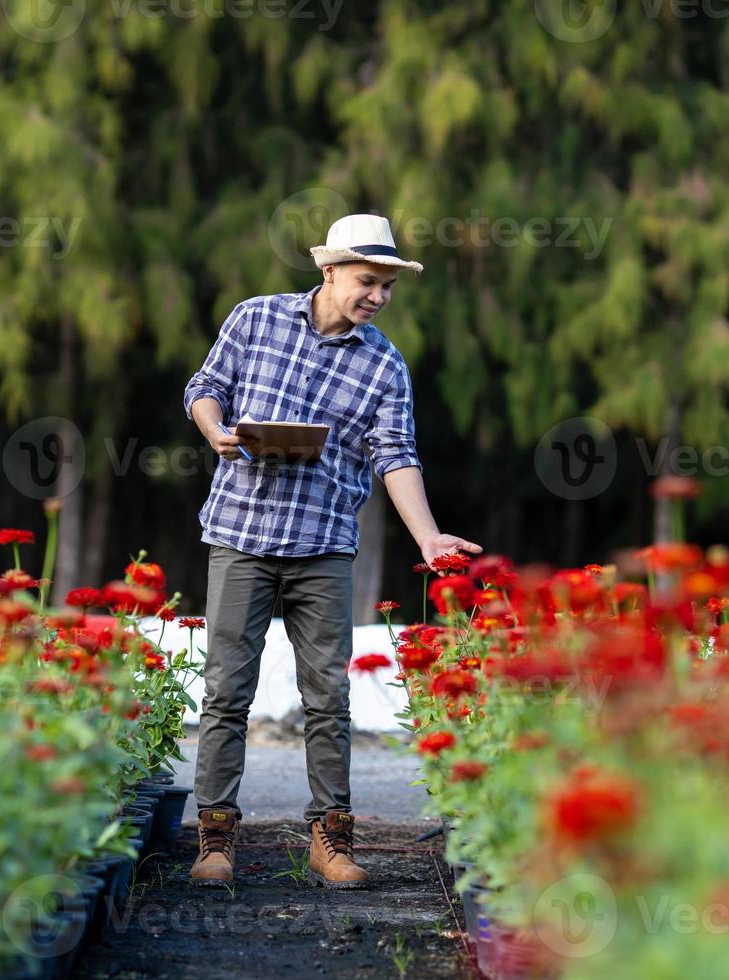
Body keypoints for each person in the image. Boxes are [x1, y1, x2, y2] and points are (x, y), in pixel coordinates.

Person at [181, 213, 482, 889]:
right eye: (367, 281)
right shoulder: (255, 318)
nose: (377, 295)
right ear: (330, 272)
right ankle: (214, 840)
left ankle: (331, 840)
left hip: (323, 544)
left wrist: (429, 536)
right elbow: (204, 388)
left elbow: (396, 456)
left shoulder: (383, 363)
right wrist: (217, 431)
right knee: (227, 690)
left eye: (387, 286)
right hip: (241, 534)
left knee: (328, 698)